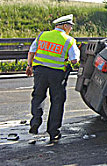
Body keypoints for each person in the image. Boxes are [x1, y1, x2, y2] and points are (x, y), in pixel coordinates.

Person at [25, 14, 80, 143]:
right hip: (57, 74)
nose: (71, 29)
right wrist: (71, 62)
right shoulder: (68, 40)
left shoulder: (43, 35)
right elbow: (74, 60)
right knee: (57, 101)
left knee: (38, 96)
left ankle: (35, 121)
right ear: (65, 26)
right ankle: (53, 132)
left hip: (40, 71)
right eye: (70, 26)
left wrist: (29, 65)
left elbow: (31, 52)